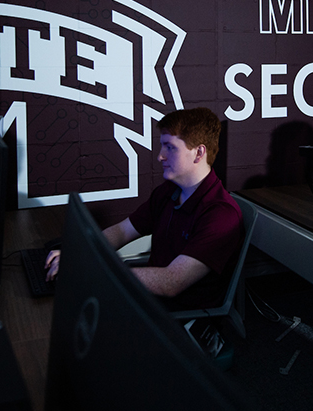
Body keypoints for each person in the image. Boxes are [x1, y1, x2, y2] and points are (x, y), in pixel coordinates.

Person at [45, 107, 243, 310]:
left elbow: (171, 282)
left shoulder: (221, 215)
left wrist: (90, 268)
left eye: (170, 147)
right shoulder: (167, 193)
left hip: (176, 318)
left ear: (199, 152)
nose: (160, 156)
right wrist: (78, 253)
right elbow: (122, 232)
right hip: (149, 300)